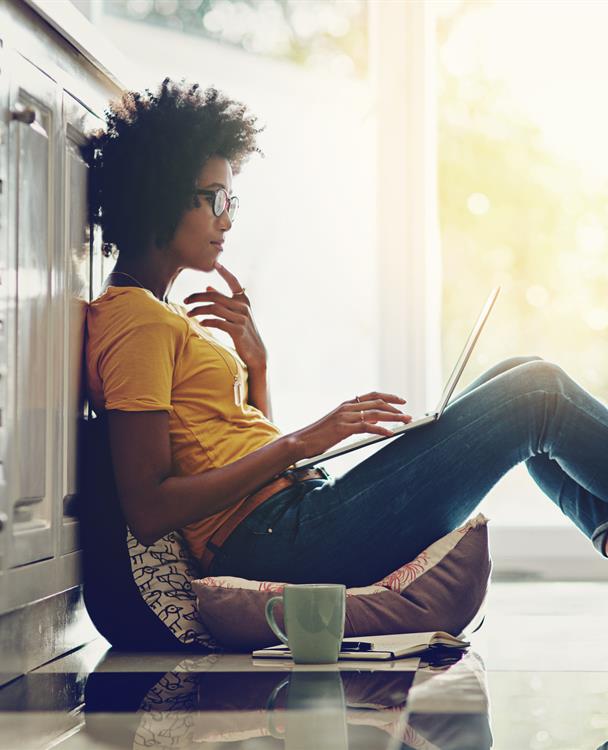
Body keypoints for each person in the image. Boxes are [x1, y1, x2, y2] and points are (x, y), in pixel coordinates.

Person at [83, 78, 608, 588]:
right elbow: (149, 508)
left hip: (294, 521)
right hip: (283, 540)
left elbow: (239, 454)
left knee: (515, 374)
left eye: (231, 202)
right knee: (539, 391)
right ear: (163, 195)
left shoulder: (162, 312)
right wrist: (302, 441)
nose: (228, 220)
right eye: (217, 199)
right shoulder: (135, 321)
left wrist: (258, 368)